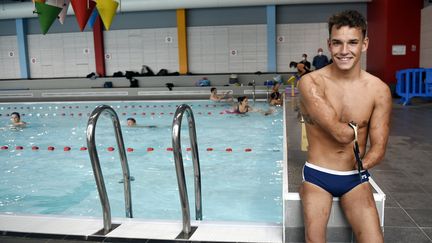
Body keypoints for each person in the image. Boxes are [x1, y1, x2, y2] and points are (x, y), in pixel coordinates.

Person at [298, 10, 391, 243]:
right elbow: (340, 134)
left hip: (355, 177)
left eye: (352, 42)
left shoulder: (379, 90)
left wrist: (361, 168)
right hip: (317, 176)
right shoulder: (311, 82)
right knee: (314, 239)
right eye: (337, 43)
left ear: (365, 44)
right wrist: (358, 127)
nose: (344, 51)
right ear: (329, 45)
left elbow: (379, 148)